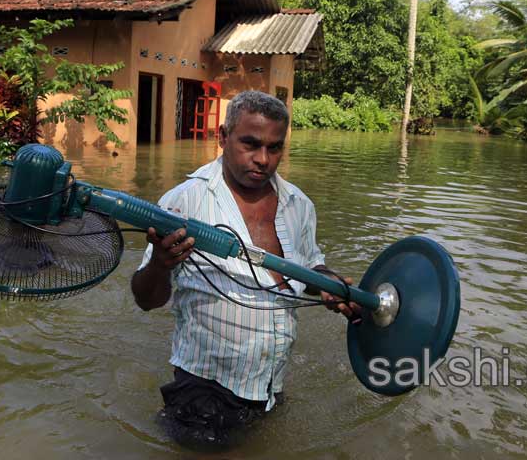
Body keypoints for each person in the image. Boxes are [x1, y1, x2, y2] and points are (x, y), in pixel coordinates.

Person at [130, 90, 360, 450]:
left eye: (275, 147)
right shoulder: (186, 201)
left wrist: (326, 281)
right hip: (202, 390)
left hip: (269, 387)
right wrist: (161, 263)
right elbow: (145, 300)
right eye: (250, 144)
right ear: (222, 137)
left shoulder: (299, 205)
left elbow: (309, 266)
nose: (263, 159)